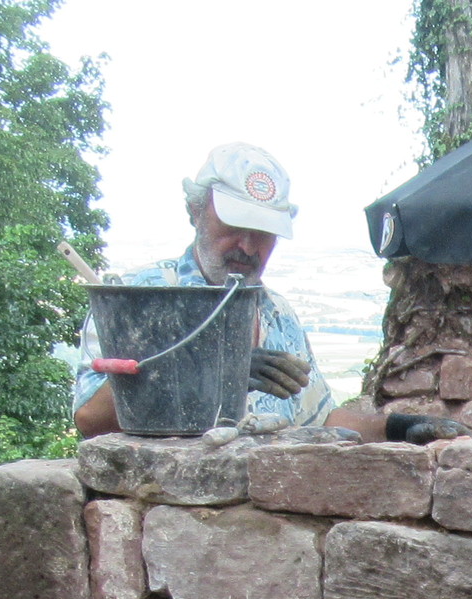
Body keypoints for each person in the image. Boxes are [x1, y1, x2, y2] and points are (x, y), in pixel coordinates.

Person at [74, 143, 384, 439]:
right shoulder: (139, 297)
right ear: (195, 212)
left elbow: (320, 419)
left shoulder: (277, 314)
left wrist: (396, 428)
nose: (247, 247)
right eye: (233, 227)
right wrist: (212, 369)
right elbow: (90, 419)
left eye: (263, 232)